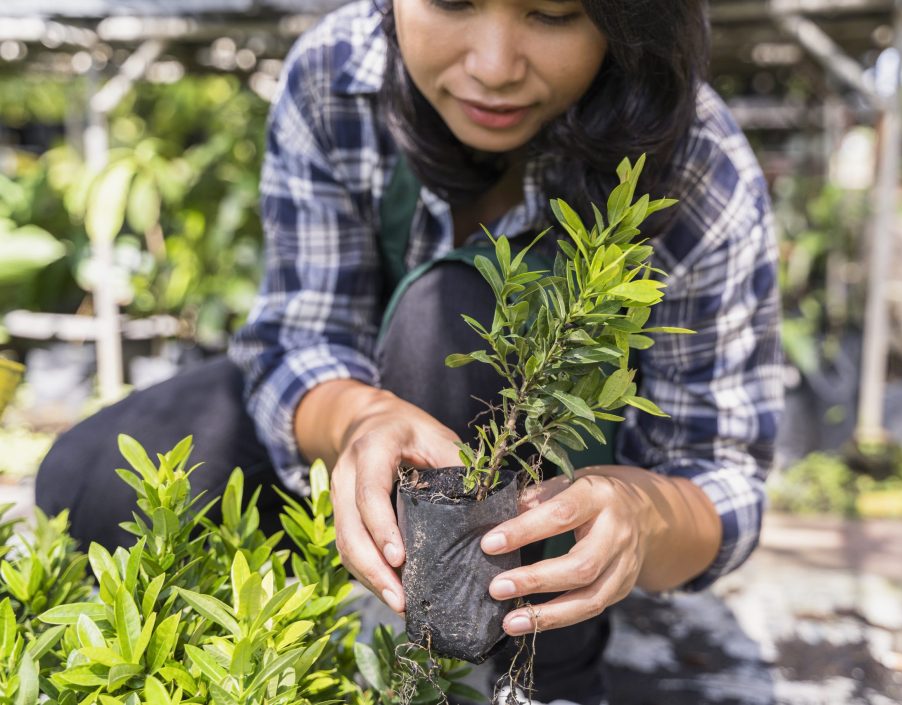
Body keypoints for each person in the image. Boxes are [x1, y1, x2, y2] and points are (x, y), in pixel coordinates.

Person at [37, 0, 783, 703]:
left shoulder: (694, 161)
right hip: (359, 434)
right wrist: (358, 420)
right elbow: (303, 338)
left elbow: (717, 476)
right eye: (453, 3)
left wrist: (640, 516)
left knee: (448, 317)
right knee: (91, 484)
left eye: (552, 14)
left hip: (548, 508)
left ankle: (538, 671)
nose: (494, 66)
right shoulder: (338, 77)